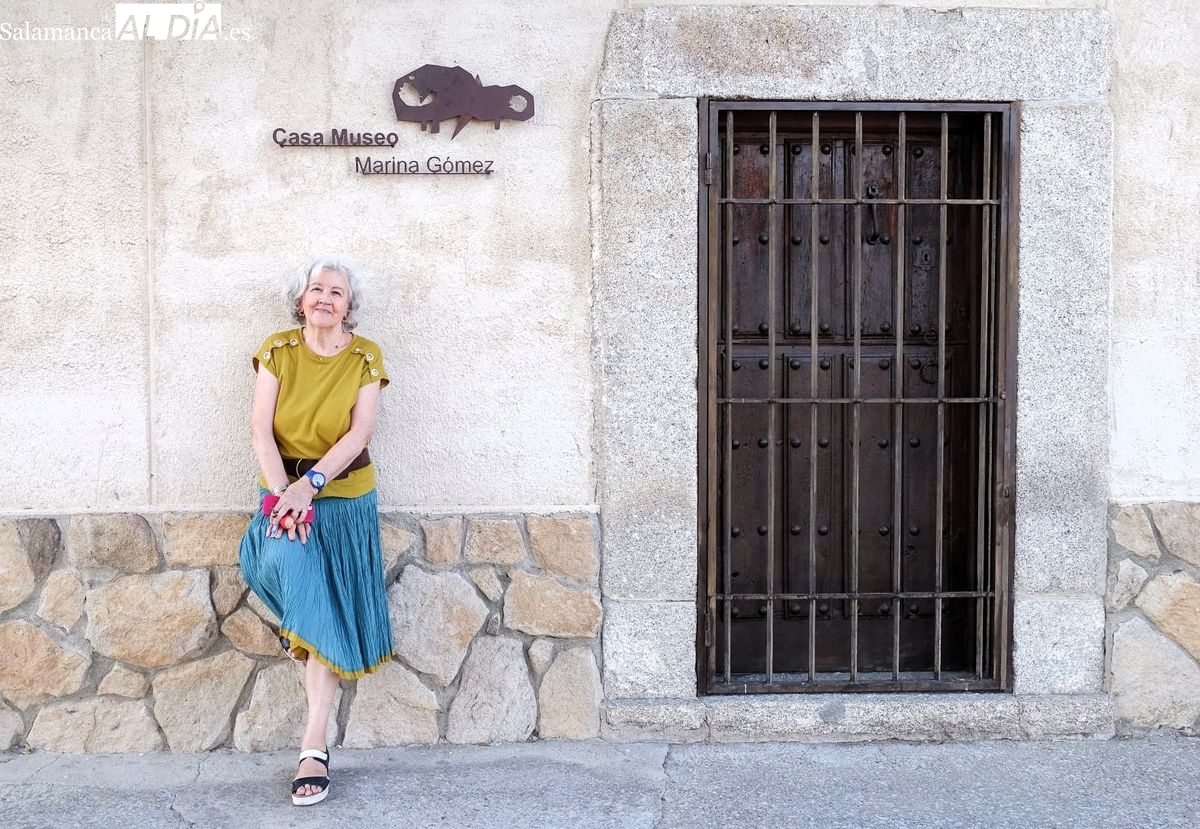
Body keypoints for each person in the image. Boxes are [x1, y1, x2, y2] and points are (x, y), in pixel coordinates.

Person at [237, 254, 394, 806]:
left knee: (320, 610)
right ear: (300, 300)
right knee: (271, 563)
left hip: (343, 499)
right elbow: (261, 430)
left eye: (337, 292)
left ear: (349, 306)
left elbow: (359, 433)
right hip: (283, 494)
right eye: (316, 290)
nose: (325, 298)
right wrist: (285, 496)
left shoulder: (365, 356)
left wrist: (311, 487)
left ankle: (313, 747)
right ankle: (300, 625)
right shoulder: (277, 350)